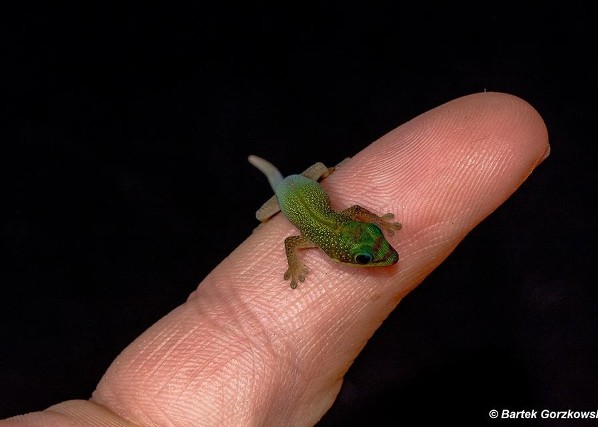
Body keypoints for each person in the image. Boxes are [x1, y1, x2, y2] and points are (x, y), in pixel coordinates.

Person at [1, 92, 549, 426]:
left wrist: (380, 225)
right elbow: (293, 242)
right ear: (339, 249)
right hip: (293, 194)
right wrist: (292, 266)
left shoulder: (341, 227)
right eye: (369, 254)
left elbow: (356, 208)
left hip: (304, 187)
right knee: (273, 210)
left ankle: (284, 177)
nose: (380, 254)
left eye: (370, 249)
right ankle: (275, 178)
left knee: (301, 183)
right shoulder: (316, 235)